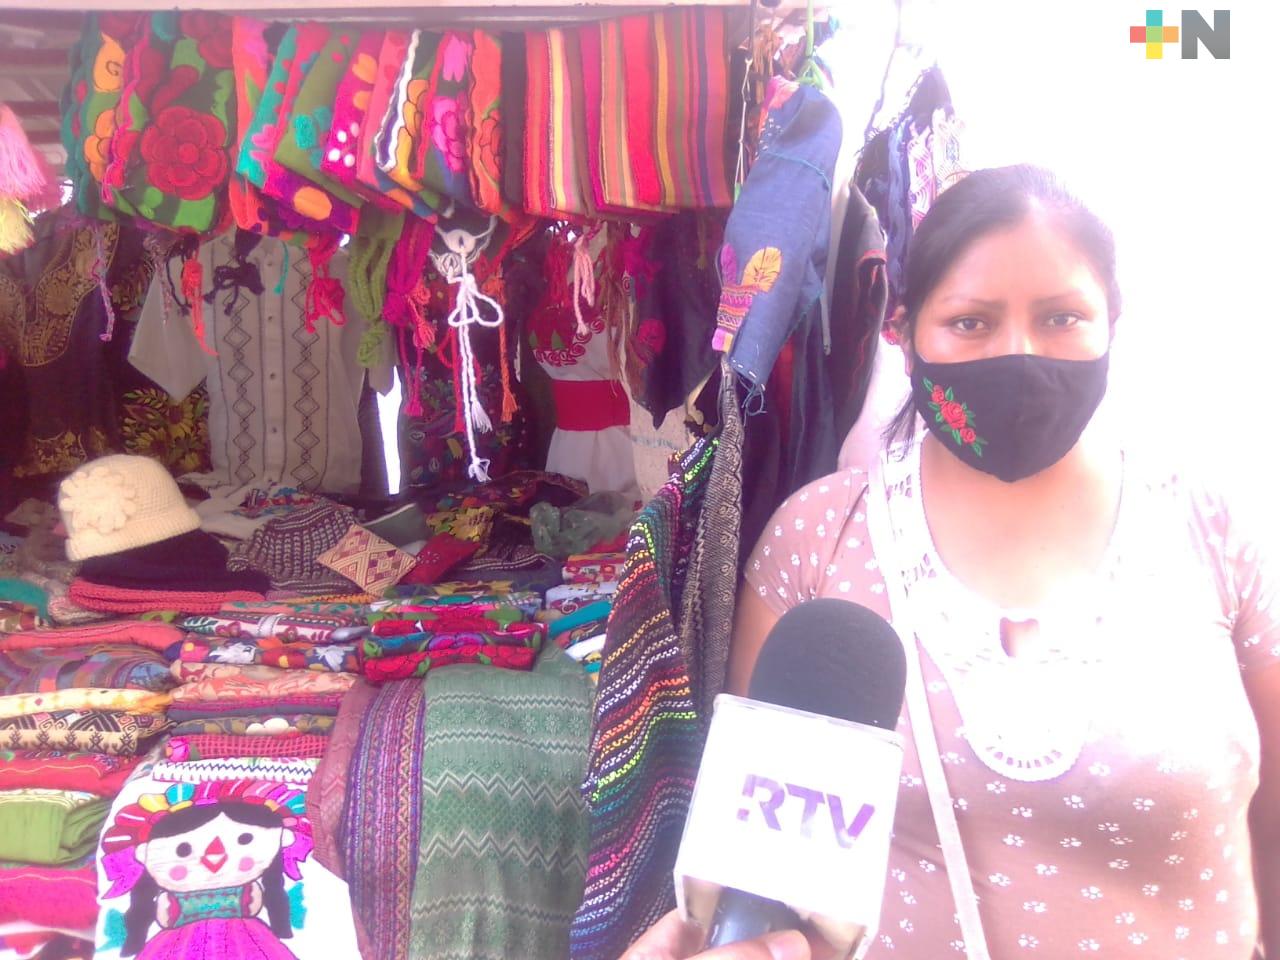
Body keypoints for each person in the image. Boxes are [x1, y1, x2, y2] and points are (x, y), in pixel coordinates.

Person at [625, 165, 1279, 960]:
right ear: (903, 330)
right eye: (971, 323)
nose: (1021, 356)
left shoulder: (1212, 529)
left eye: (1062, 317)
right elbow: (764, 876)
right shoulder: (818, 540)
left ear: (1114, 321)